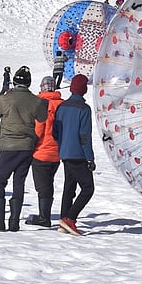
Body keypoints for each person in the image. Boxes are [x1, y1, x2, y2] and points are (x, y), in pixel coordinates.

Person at [0, 66, 47, 232]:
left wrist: (2, 94)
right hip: (27, 147)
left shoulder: (6, 99)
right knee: (19, 182)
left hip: (8, 146)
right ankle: (14, 222)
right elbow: (43, 117)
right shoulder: (36, 100)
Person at [54, 74, 95, 236]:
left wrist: (63, 146)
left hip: (65, 153)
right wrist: (90, 158)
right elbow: (84, 136)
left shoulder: (61, 107)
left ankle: (64, 219)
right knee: (88, 188)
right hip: (78, 154)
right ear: (84, 89)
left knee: (69, 187)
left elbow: (55, 131)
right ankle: (70, 219)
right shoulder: (84, 109)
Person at [26, 76, 63, 227]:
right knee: (49, 183)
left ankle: (44, 217)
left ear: (42, 87)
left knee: (42, 186)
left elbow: (38, 128)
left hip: (41, 151)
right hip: (57, 152)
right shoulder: (62, 105)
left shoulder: (40, 104)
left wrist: (30, 145)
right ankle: (44, 214)